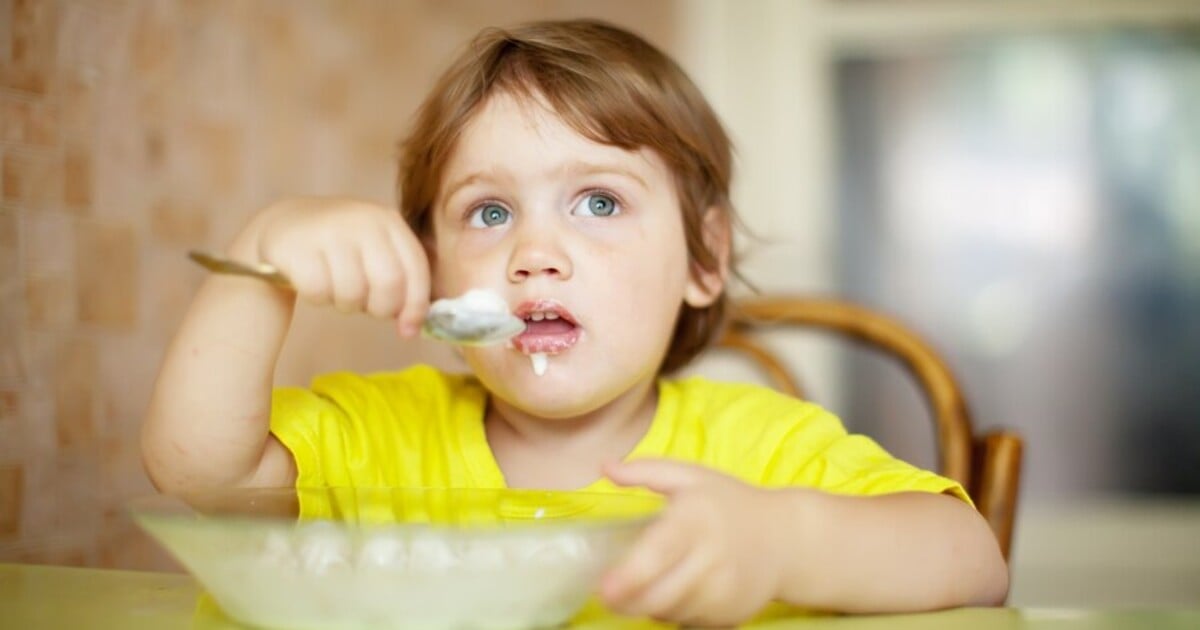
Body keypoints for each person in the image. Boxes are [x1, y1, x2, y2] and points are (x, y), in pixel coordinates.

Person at [142, 18, 1007, 625]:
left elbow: (973, 559)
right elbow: (199, 472)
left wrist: (785, 543)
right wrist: (259, 264)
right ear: (429, 266)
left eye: (598, 201)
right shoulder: (377, 433)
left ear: (704, 261)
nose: (534, 253)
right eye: (487, 214)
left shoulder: (761, 451)